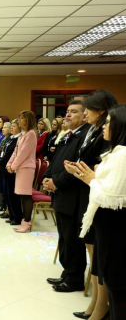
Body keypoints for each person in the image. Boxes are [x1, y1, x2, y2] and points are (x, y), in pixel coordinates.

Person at [63, 90, 117, 320]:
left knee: (99, 255)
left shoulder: (108, 137)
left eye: (89, 109)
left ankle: (101, 305)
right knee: (92, 251)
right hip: (90, 192)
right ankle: (96, 301)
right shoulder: (95, 131)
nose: (85, 113)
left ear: (102, 111)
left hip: (99, 195)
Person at [72, 105, 126, 320]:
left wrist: (93, 181)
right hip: (107, 226)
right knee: (111, 282)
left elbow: (113, 199)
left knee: (118, 287)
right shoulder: (115, 152)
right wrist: (95, 178)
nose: (104, 125)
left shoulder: (122, 155)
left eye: (108, 121)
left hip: (116, 228)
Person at [42, 100, 91, 293]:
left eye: (74, 111)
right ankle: (66, 273)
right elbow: (56, 162)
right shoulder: (69, 135)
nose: (68, 115)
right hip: (60, 193)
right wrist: (47, 179)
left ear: (84, 115)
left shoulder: (84, 136)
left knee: (71, 239)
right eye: (67, 111)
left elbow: (77, 166)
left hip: (71, 194)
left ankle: (74, 278)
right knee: (64, 237)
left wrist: (57, 182)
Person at [6, 110, 37, 233]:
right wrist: (9, 164)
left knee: (25, 196)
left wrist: (13, 166)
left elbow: (24, 153)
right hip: (20, 167)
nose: (19, 121)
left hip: (27, 168)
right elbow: (16, 151)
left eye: (22, 118)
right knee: (21, 195)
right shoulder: (22, 134)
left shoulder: (31, 134)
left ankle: (27, 222)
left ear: (28, 120)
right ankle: (24, 220)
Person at [0, 119, 22, 225]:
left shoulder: (18, 139)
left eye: (14, 126)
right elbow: (4, 151)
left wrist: (0, 163)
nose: (11, 128)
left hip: (11, 169)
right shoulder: (11, 139)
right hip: (5, 168)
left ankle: (16, 217)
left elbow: (10, 154)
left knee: (12, 195)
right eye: (11, 126)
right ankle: (11, 215)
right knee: (7, 193)